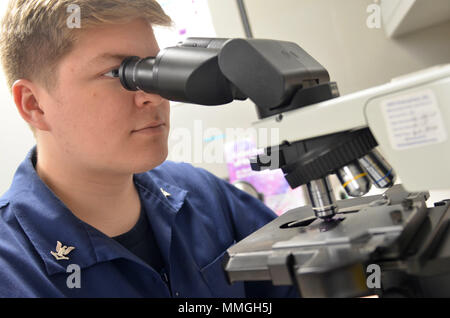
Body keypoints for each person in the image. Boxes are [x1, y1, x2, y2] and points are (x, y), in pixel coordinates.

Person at [0, 0, 298, 297]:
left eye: (153, 68)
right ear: (34, 104)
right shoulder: (12, 271)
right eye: (118, 73)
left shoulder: (203, 195)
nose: (153, 97)